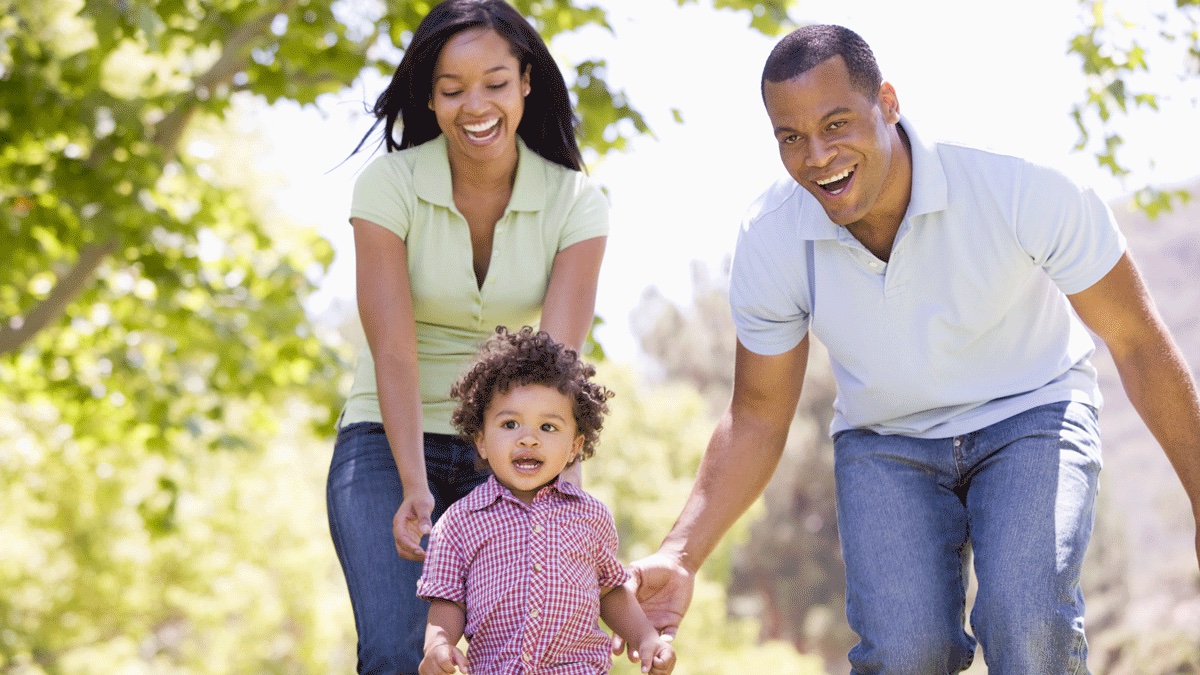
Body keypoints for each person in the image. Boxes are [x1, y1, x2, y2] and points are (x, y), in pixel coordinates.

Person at [623, 24, 1200, 673]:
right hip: (886, 440)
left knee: (1028, 618)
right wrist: (679, 551)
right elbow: (757, 415)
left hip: (1032, 412)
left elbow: (1137, 341)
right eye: (791, 137)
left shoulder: (1014, 180)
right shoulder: (773, 236)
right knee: (905, 652)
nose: (817, 155)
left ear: (888, 103)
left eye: (837, 123)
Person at [325, 1, 610, 671]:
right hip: (386, 439)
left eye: (495, 83)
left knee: (520, 650)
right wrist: (413, 486)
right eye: (452, 90)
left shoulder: (576, 202)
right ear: (429, 96)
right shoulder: (388, 186)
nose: (474, 105)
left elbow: (558, 370)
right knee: (401, 652)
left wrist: (553, 487)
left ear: (526, 82)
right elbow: (393, 348)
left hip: (511, 440)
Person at [414, 326, 676, 675]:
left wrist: (646, 638)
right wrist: (438, 645)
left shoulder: (591, 516)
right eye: (510, 424)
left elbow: (611, 591)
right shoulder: (458, 523)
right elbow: (447, 600)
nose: (529, 439)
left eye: (548, 428)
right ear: (480, 440)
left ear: (574, 447)